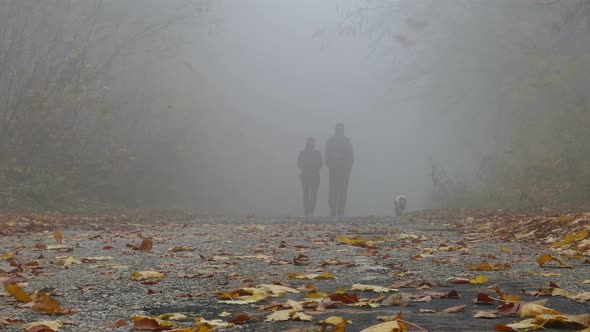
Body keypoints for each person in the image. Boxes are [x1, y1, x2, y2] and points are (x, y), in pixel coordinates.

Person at [325, 123, 354, 219]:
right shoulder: (331, 141)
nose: (339, 131)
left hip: (344, 171)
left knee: (342, 192)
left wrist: (348, 168)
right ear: (336, 130)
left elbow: (351, 157)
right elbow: (327, 155)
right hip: (333, 170)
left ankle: (341, 211)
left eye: (341, 130)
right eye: (338, 129)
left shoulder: (347, 142)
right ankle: (333, 211)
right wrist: (330, 165)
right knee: (333, 191)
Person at [297, 137, 323, 218]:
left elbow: (321, 164)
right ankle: (306, 211)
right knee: (306, 194)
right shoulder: (302, 153)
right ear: (307, 143)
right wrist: (304, 166)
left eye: (312, 142)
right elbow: (298, 164)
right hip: (305, 176)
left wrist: (314, 167)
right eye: (309, 142)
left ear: (314, 143)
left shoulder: (317, 153)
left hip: (314, 176)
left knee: (313, 195)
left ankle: (311, 211)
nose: (311, 143)